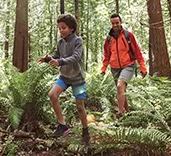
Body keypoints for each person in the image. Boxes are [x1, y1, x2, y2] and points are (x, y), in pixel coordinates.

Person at [38, 13, 89, 145]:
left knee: (80, 107)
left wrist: (59, 61)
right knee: (52, 95)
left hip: (77, 78)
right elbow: (58, 55)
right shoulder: (60, 42)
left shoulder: (78, 41)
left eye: (64, 28)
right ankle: (63, 126)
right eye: (59, 28)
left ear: (71, 28)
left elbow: (76, 57)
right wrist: (48, 59)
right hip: (64, 77)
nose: (61, 30)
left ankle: (85, 131)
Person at [100, 13, 147, 118]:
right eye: (113, 23)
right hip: (114, 68)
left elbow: (137, 52)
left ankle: (120, 113)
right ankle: (127, 112)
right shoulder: (108, 39)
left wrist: (142, 67)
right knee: (121, 90)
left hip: (128, 65)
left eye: (117, 23)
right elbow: (106, 55)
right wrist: (103, 68)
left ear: (120, 22)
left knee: (120, 86)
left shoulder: (128, 35)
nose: (115, 25)